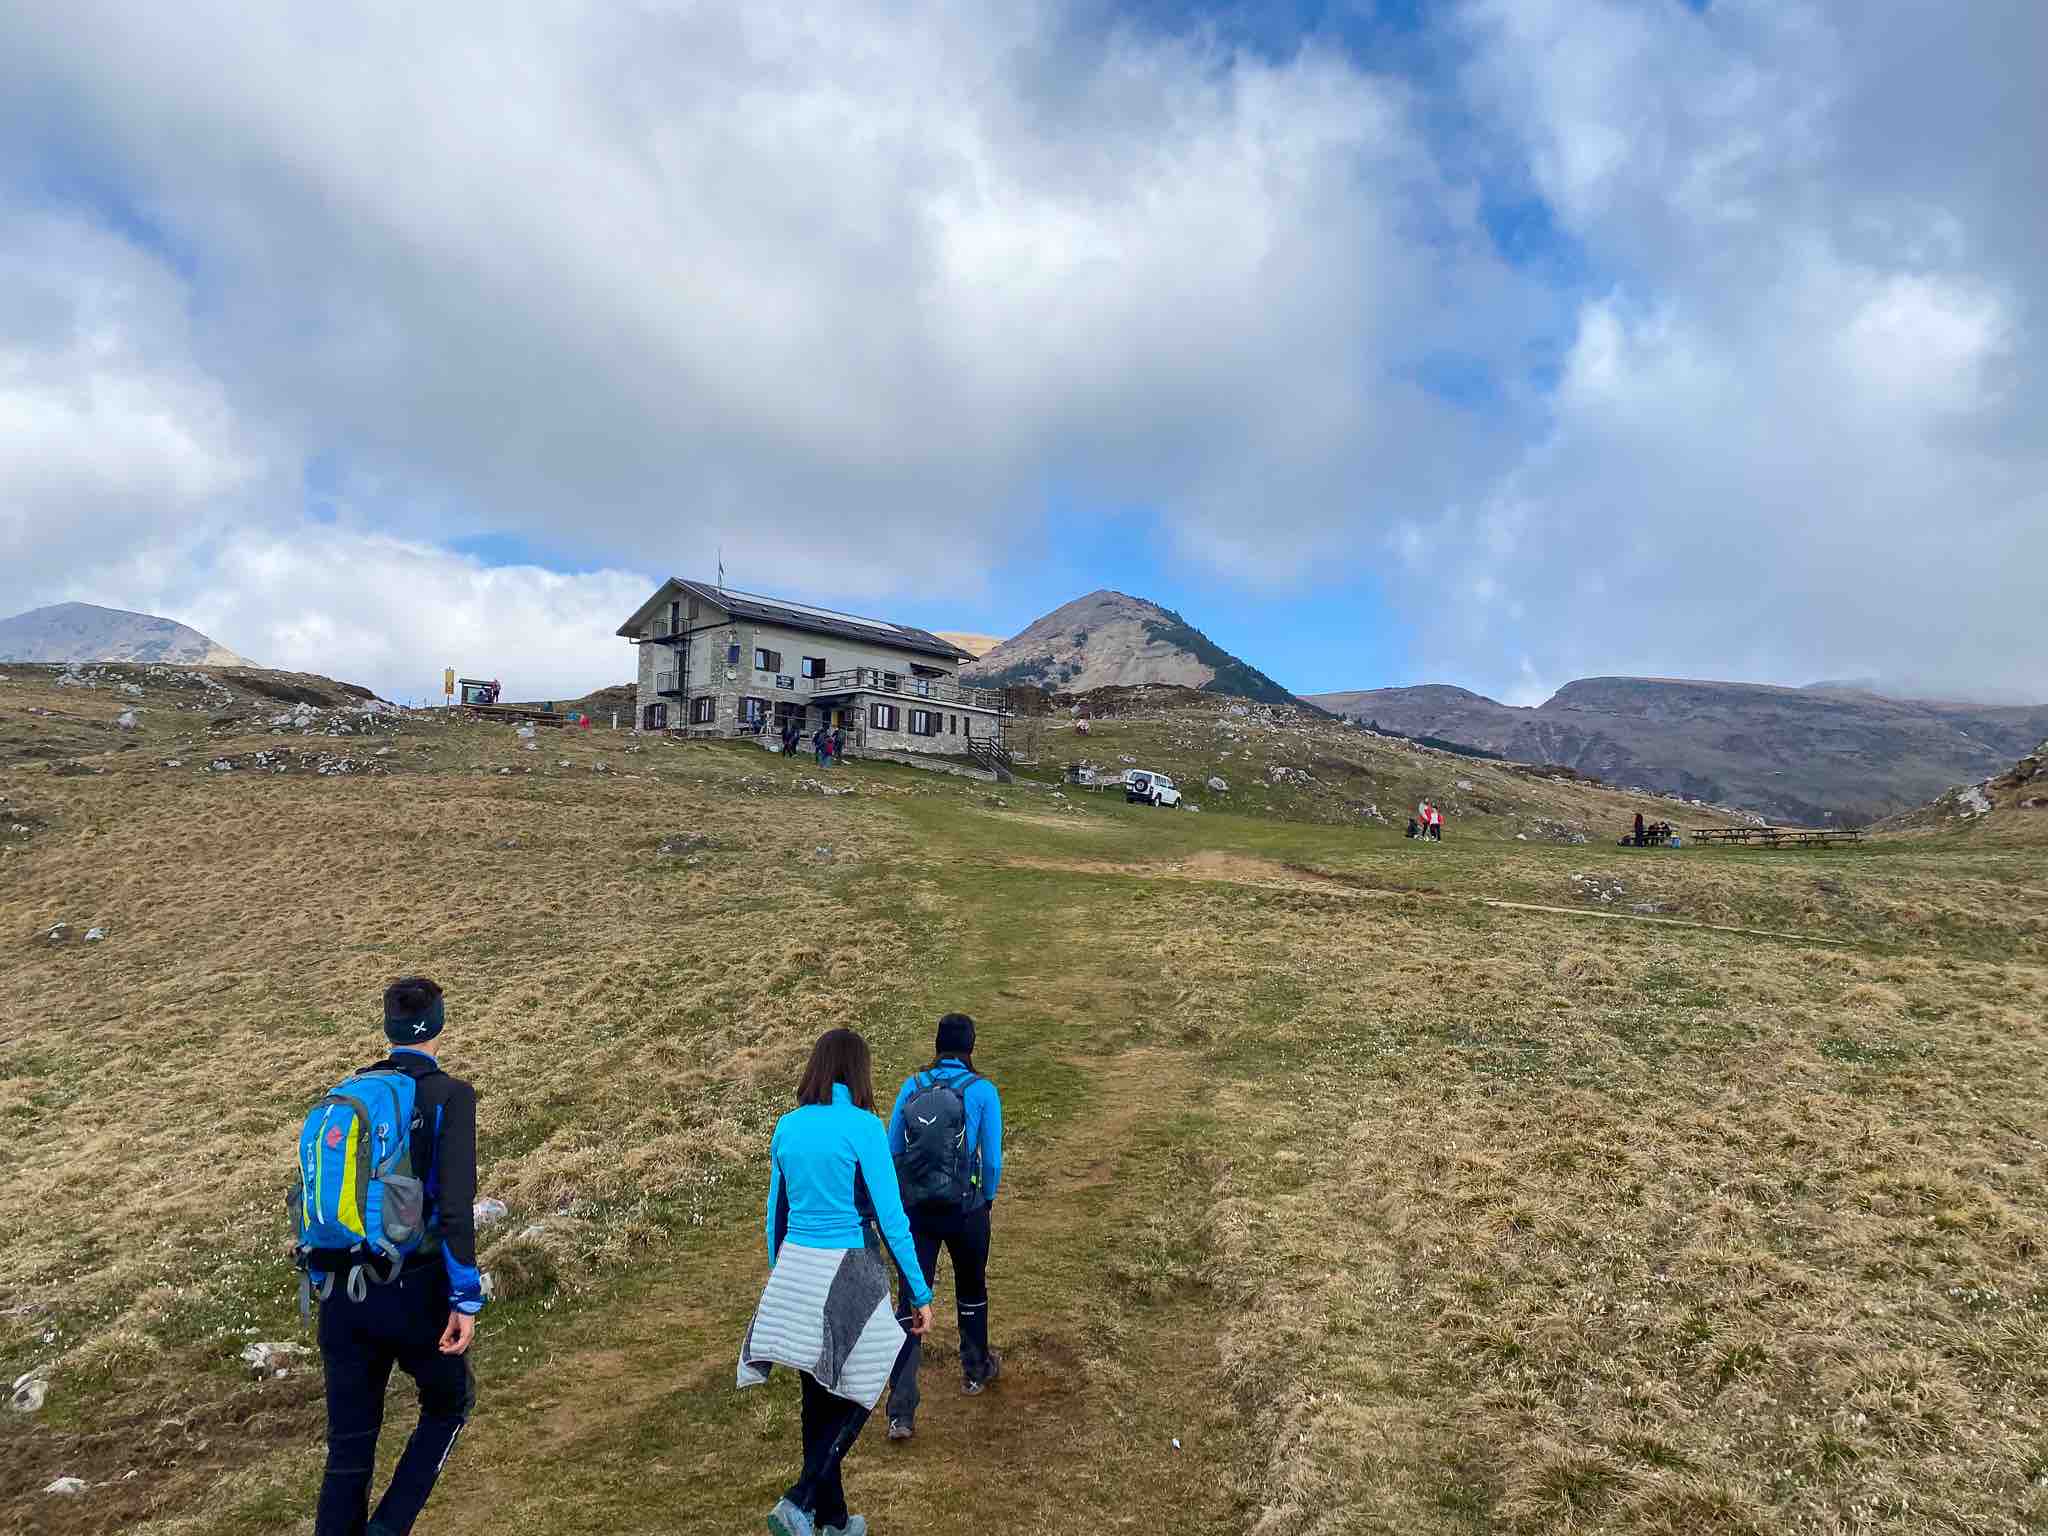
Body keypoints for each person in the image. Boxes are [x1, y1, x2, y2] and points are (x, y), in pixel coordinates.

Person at [741, 1030, 933, 1536]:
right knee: (862, 1386)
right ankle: (800, 1499)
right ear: (858, 1071)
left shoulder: (787, 1126)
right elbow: (891, 1219)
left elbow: (774, 1214)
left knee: (816, 1396)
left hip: (797, 1268)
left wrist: (779, 1274)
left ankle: (834, 1521)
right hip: (849, 1269)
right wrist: (920, 1290)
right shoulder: (864, 1127)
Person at [311, 978, 483, 1536]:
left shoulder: (348, 1093)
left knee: (349, 1450)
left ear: (388, 1027)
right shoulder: (450, 1097)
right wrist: (465, 1299)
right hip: (413, 1290)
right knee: (447, 1405)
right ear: (439, 1023)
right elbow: (454, 1211)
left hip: (340, 1292)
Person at [883, 1013, 1004, 1440]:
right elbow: (991, 1159)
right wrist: (986, 1197)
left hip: (915, 1212)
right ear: (971, 1047)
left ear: (936, 1045)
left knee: (913, 1299)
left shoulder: (911, 1087)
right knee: (972, 1288)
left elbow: (892, 1148)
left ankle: (901, 1410)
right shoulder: (983, 1091)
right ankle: (974, 1370)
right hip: (966, 1210)